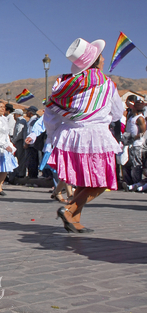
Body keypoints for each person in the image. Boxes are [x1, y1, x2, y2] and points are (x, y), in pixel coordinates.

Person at [46, 38, 123, 233]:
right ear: (96, 60)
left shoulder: (64, 84)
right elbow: (117, 113)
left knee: (83, 181)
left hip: (70, 137)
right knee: (101, 182)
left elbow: (50, 114)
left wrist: (53, 136)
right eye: (101, 56)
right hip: (95, 136)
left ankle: (74, 220)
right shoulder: (105, 83)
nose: (104, 59)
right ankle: (69, 210)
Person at [121, 95, 146, 185]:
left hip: (137, 145)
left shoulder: (140, 118)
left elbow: (143, 133)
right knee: (125, 163)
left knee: (136, 165)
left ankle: (136, 182)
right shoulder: (130, 116)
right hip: (128, 143)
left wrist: (133, 137)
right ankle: (128, 182)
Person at [9, 108, 27, 182]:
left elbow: (19, 133)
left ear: (18, 115)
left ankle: (21, 173)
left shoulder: (21, 122)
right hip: (18, 141)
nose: (13, 116)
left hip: (19, 141)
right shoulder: (18, 121)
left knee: (21, 158)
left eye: (14, 114)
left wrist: (14, 141)